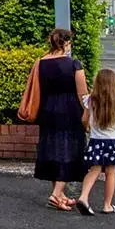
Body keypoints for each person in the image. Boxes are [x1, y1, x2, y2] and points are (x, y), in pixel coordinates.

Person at [24, 29, 88, 210]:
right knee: (69, 149)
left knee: (52, 148)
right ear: (66, 43)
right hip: (69, 110)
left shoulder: (41, 63)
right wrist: (87, 113)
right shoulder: (74, 64)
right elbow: (82, 93)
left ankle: (60, 197)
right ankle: (56, 194)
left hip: (47, 109)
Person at [76, 69, 115, 216]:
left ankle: (83, 197)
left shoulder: (90, 100)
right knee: (110, 172)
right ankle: (107, 205)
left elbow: (84, 119)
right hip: (113, 141)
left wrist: (87, 127)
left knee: (94, 170)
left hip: (96, 141)